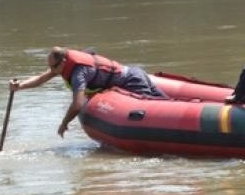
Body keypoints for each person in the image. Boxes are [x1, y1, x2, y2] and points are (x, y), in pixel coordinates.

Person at [9, 47, 166, 137]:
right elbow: (42, 78)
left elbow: (77, 105)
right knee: (163, 103)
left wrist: (64, 123)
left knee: (157, 113)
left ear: (63, 61)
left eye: (54, 67)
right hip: (135, 73)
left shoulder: (79, 73)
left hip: (132, 81)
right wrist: (20, 86)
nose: (52, 71)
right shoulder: (64, 63)